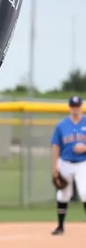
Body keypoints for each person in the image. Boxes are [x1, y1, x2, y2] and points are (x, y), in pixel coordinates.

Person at [50, 94, 86, 235]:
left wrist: (84, 148)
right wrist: (54, 168)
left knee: (85, 193)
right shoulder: (61, 125)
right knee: (63, 194)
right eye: (73, 106)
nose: (75, 109)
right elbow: (55, 146)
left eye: (77, 106)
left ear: (81, 107)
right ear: (69, 107)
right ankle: (60, 226)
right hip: (64, 162)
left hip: (82, 163)